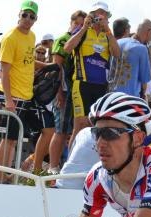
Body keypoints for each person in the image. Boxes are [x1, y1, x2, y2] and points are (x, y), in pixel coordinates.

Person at [0, 1, 54, 176]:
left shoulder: (32, 36)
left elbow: (26, 61)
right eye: (25, 15)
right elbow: (4, 71)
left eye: (32, 16)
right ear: (19, 15)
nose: (28, 19)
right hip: (12, 94)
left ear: (36, 19)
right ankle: (2, 176)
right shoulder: (10, 38)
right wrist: (8, 99)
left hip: (27, 95)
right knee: (9, 138)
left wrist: (47, 66)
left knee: (48, 129)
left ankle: (31, 168)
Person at [63, 1, 120, 142]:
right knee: (80, 124)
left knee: (95, 124)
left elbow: (117, 54)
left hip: (101, 86)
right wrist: (83, 28)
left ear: (107, 17)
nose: (99, 17)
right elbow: (67, 48)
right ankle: (71, 161)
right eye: (96, 13)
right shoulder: (84, 31)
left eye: (103, 14)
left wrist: (108, 30)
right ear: (91, 15)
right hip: (82, 83)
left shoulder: (107, 35)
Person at [48, 10, 87, 173]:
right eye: (77, 23)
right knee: (60, 131)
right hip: (63, 91)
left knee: (71, 132)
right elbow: (55, 68)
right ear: (71, 22)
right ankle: (53, 167)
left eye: (82, 24)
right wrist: (59, 93)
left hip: (76, 91)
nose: (79, 26)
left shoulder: (82, 41)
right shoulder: (63, 39)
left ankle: (67, 166)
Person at [111, 19, 151, 98]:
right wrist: (150, 55)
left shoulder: (117, 42)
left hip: (110, 96)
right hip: (129, 99)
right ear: (148, 32)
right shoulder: (142, 49)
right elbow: (145, 81)